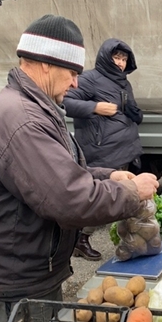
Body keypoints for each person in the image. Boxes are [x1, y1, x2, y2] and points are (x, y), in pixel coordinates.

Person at [0, 14, 159, 322]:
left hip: (31, 272)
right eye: (72, 72)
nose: (74, 84)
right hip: (19, 283)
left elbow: (64, 173)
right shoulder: (22, 119)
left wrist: (109, 174)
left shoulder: (35, 107)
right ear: (45, 64)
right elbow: (70, 199)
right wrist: (130, 192)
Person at [63, 38, 144, 260]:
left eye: (124, 59)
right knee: (103, 200)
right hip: (103, 152)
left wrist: (135, 113)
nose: (120, 62)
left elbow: (129, 110)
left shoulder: (123, 83)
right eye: (116, 57)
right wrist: (94, 107)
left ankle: (129, 240)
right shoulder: (89, 79)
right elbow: (65, 103)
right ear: (106, 57)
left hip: (124, 149)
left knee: (120, 197)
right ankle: (80, 239)